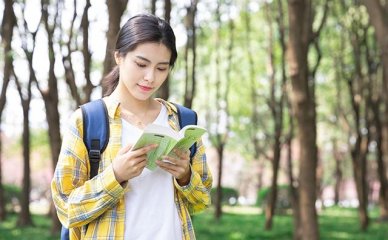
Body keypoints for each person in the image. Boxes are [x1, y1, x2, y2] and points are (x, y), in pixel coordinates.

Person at [51, 14, 212, 240]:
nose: (150, 77)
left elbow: (202, 200)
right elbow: (66, 208)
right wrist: (115, 176)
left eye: (161, 68)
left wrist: (185, 176)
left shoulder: (182, 120)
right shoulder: (88, 120)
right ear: (119, 56)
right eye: (141, 64)